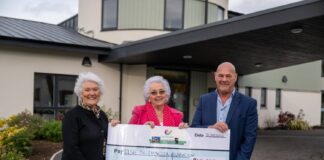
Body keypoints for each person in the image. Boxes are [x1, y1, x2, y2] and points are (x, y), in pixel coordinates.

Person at [191, 62, 258, 160]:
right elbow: (194, 128)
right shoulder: (204, 100)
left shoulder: (248, 104)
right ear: (215, 76)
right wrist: (210, 128)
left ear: (235, 77)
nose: (224, 79)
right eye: (221, 75)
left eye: (228, 76)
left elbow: (249, 139)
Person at [62, 72, 119, 160]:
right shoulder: (72, 115)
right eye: (87, 90)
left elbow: (104, 141)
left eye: (95, 89)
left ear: (100, 93)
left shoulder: (102, 115)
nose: (92, 93)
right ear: (81, 93)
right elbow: (71, 150)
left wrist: (112, 128)